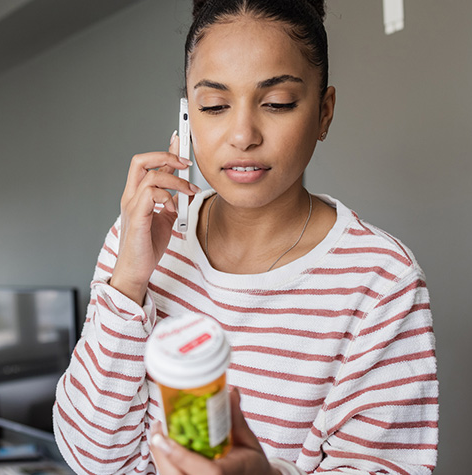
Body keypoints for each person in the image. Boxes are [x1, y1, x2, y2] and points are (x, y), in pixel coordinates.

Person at [53, 0, 438, 473]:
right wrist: (129, 282)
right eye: (214, 106)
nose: (242, 135)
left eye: (277, 103)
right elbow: (91, 459)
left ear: (324, 112)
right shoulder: (140, 241)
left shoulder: (382, 280)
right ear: (187, 117)